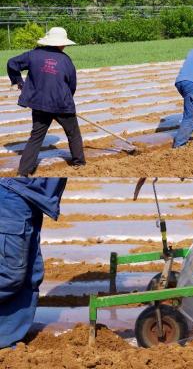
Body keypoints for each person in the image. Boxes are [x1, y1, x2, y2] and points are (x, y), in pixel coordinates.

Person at [6, 27, 85, 176]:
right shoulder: (66, 60)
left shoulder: (33, 55)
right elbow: (72, 85)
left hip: (39, 104)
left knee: (36, 137)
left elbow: (12, 63)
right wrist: (67, 100)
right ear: (61, 43)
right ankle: (79, 163)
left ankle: (23, 172)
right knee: (73, 132)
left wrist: (18, 81)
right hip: (62, 104)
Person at [0, 177, 67, 349]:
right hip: (12, 194)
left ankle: (5, 344)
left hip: (30, 200)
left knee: (31, 276)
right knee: (9, 275)